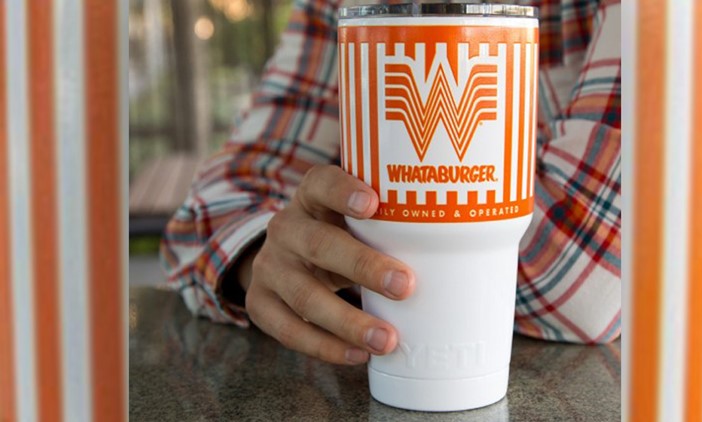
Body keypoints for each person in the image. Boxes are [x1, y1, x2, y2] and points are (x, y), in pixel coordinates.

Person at [161, 0, 621, 366]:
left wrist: (373, 242)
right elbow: (208, 212)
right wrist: (277, 254)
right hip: (379, 368)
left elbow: (584, 285)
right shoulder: (349, 11)